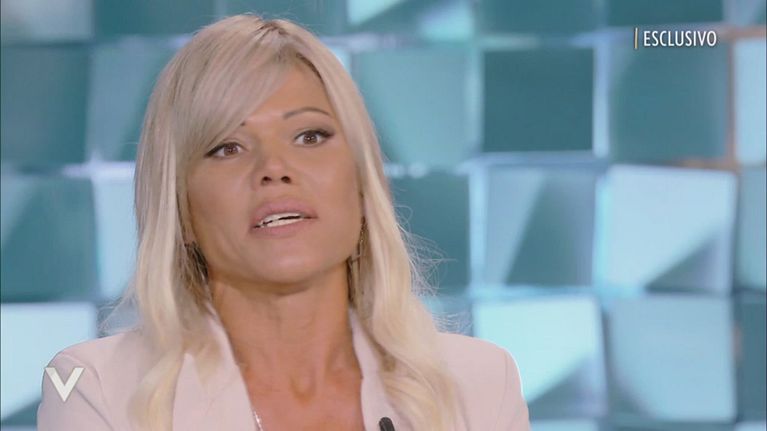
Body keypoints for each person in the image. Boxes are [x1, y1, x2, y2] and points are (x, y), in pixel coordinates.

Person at [37, 14, 529, 431]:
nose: (274, 168)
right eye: (227, 147)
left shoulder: (478, 385)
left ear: (362, 182)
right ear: (180, 208)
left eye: (310, 136)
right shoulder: (96, 389)